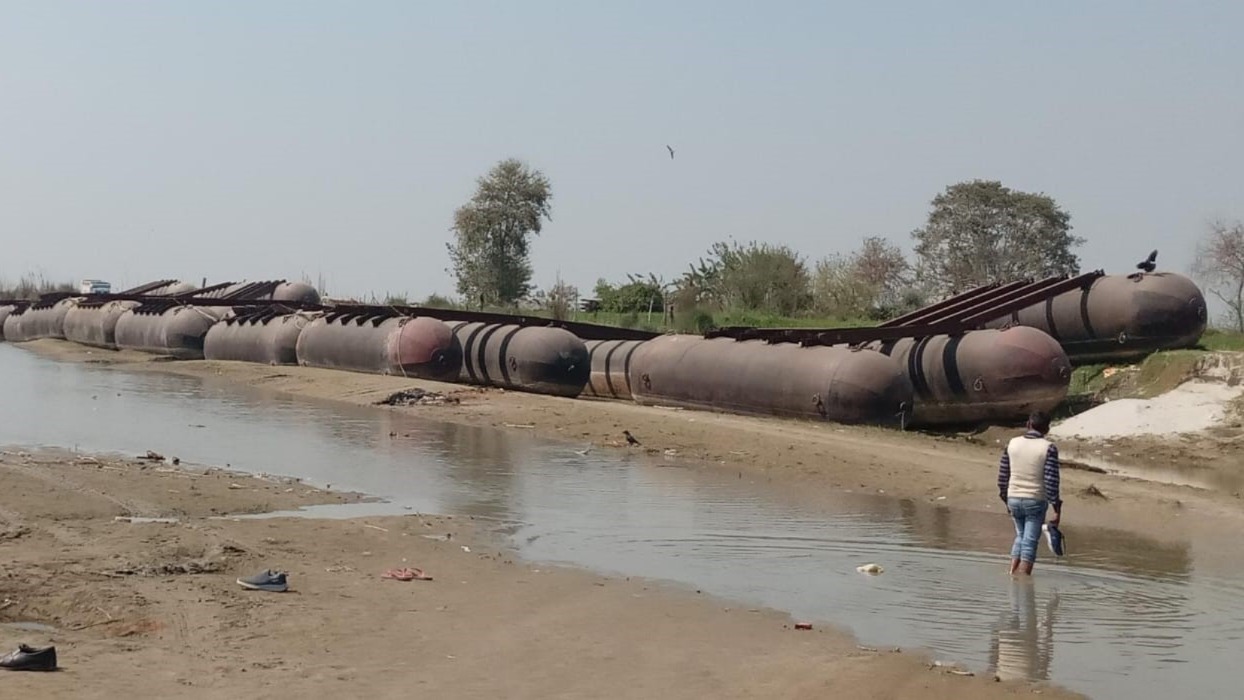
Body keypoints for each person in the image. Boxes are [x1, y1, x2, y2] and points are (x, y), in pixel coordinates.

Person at [998, 411, 1062, 575]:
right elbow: (1051, 480)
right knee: (1030, 542)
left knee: (1020, 537)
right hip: (1035, 499)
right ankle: (1022, 579)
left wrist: (1005, 498)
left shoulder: (1012, 444)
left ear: (1028, 425)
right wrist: (1056, 507)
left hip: (1013, 496)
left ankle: (1012, 574)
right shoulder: (1048, 448)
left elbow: (1003, 475)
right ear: (1047, 429)